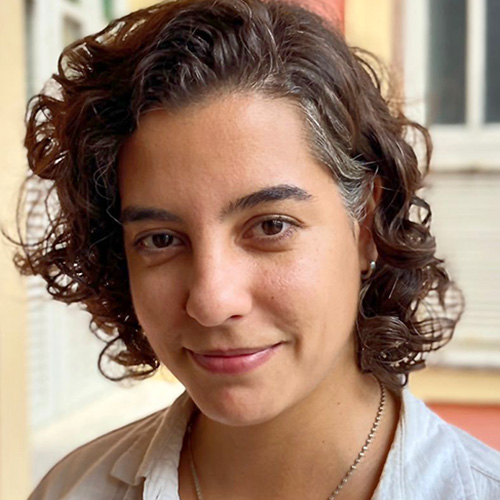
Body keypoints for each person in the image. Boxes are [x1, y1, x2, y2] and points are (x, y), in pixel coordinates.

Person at [14, 0, 500, 498]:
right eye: (161, 239)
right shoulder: (70, 490)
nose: (211, 301)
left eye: (270, 226)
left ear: (365, 227)